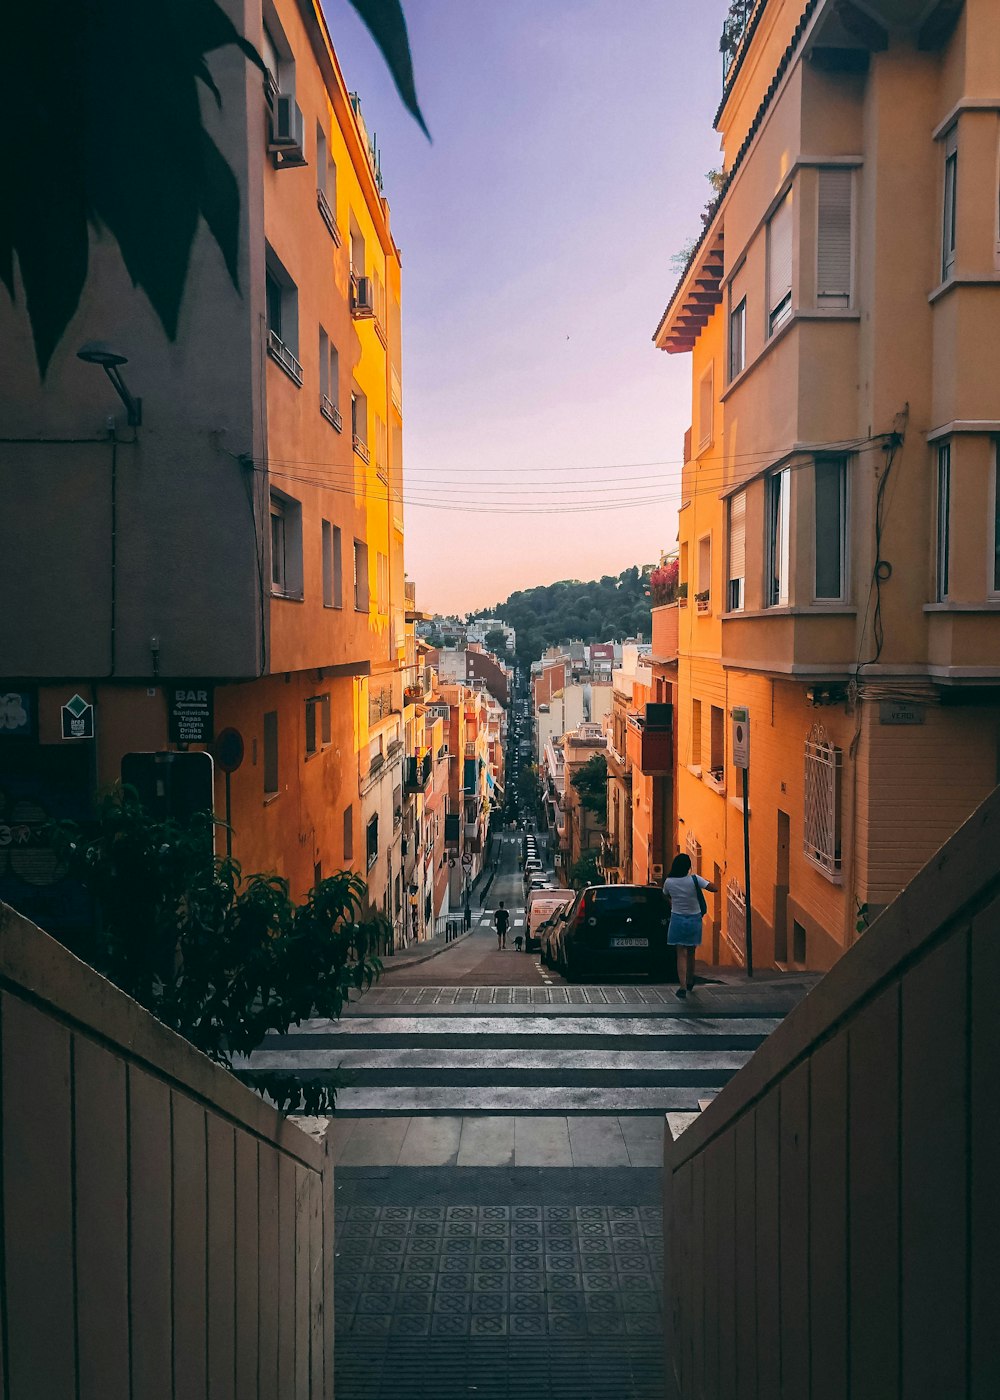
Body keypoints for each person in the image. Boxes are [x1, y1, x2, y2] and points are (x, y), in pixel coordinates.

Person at [662, 853, 717, 999]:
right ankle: (690, 979)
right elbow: (714, 888)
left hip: (677, 919)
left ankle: (682, 986)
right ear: (688, 867)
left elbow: (665, 894)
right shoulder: (695, 879)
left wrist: (671, 903)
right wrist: (706, 881)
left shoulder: (669, 882)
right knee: (691, 951)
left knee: (680, 953)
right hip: (694, 919)